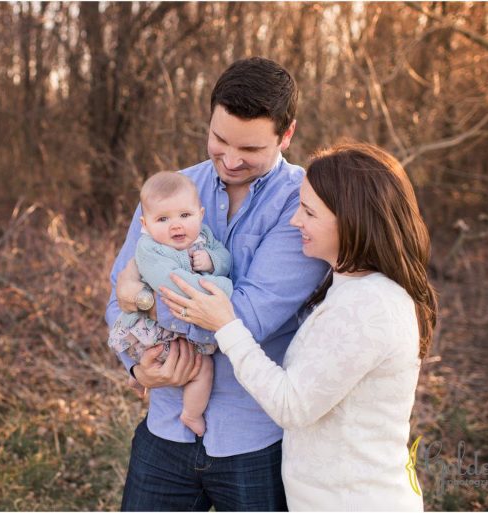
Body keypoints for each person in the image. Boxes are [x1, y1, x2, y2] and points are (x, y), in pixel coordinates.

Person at [159, 142, 438, 511]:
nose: (295, 222)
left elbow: (292, 405)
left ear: (352, 218)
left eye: (308, 211)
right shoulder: (349, 289)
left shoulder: (371, 307)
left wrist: (227, 326)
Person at [105, 57, 329, 511]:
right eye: (218, 139)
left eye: (249, 149)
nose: (229, 159)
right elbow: (116, 297)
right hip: (166, 427)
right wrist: (136, 366)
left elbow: (248, 318)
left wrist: (146, 302)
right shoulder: (171, 190)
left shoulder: (304, 204)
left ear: (286, 134)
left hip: (256, 442)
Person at [108, 171, 233, 437]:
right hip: (156, 331)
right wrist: (224, 287)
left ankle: (138, 376)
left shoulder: (204, 237)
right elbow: (174, 286)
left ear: (200, 214)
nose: (176, 226)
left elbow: (226, 258)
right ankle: (191, 414)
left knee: (191, 361)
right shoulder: (149, 249)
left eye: (185, 216)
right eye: (163, 219)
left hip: (182, 325)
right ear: (145, 224)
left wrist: (212, 261)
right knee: (203, 367)